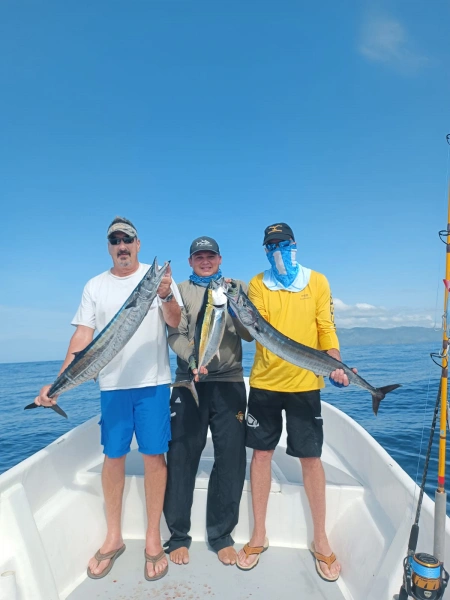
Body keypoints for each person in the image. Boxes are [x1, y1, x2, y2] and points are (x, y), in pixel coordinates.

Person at [34, 216, 182, 582]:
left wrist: (163, 294)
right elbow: (83, 337)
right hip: (112, 387)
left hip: (154, 383)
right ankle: (113, 537)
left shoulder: (158, 278)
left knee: (153, 457)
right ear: (109, 246)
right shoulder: (94, 286)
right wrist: (55, 384)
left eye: (127, 239)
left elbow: (177, 323)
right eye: (115, 240)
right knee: (112, 457)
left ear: (138, 243)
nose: (122, 246)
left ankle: (152, 540)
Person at [236, 222, 354, 582]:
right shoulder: (257, 284)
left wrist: (334, 362)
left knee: (311, 458)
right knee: (261, 456)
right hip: (265, 383)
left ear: (294, 244)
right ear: (265, 250)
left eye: (282, 244)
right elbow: (257, 327)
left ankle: (320, 538)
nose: (277, 251)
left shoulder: (317, 282)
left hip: (306, 383)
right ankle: (259, 535)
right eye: (271, 246)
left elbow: (325, 328)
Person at [163, 236, 253, 567]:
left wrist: (234, 305)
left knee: (231, 458)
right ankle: (177, 535)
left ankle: (220, 535)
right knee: (181, 453)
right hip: (190, 380)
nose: (205, 260)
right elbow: (176, 334)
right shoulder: (180, 290)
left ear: (220, 259)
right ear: (190, 261)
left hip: (229, 380)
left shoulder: (236, 286)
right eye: (199, 256)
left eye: (210, 256)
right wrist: (192, 360)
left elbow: (248, 333)